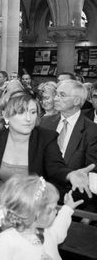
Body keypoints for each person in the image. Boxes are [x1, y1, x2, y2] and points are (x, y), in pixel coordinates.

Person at [0, 92, 93, 258]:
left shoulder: (45, 138)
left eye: (32, 112)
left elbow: (55, 168)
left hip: (26, 210)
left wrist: (71, 174)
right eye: (21, 112)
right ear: (6, 116)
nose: (28, 118)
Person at [41, 80, 97, 209]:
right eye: (56, 94)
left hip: (73, 199)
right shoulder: (45, 122)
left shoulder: (92, 131)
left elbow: (90, 170)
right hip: (42, 195)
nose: (55, 98)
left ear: (77, 101)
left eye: (62, 95)